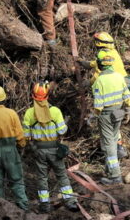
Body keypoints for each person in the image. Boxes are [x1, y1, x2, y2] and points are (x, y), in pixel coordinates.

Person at [22, 82, 79, 213]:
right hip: (54, 150)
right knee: (62, 175)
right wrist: (65, 123)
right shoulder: (55, 111)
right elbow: (62, 131)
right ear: (48, 95)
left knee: (42, 178)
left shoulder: (29, 113)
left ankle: (44, 206)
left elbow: (26, 135)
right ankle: (70, 202)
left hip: (39, 150)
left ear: (33, 96)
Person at [91, 51, 130, 185]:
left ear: (100, 66)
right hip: (118, 113)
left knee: (109, 144)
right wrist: (127, 111)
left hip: (106, 116)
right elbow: (128, 97)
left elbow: (98, 105)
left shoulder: (99, 81)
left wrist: (93, 116)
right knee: (114, 139)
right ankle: (110, 170)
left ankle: (115, 176)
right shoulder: (119, 77)